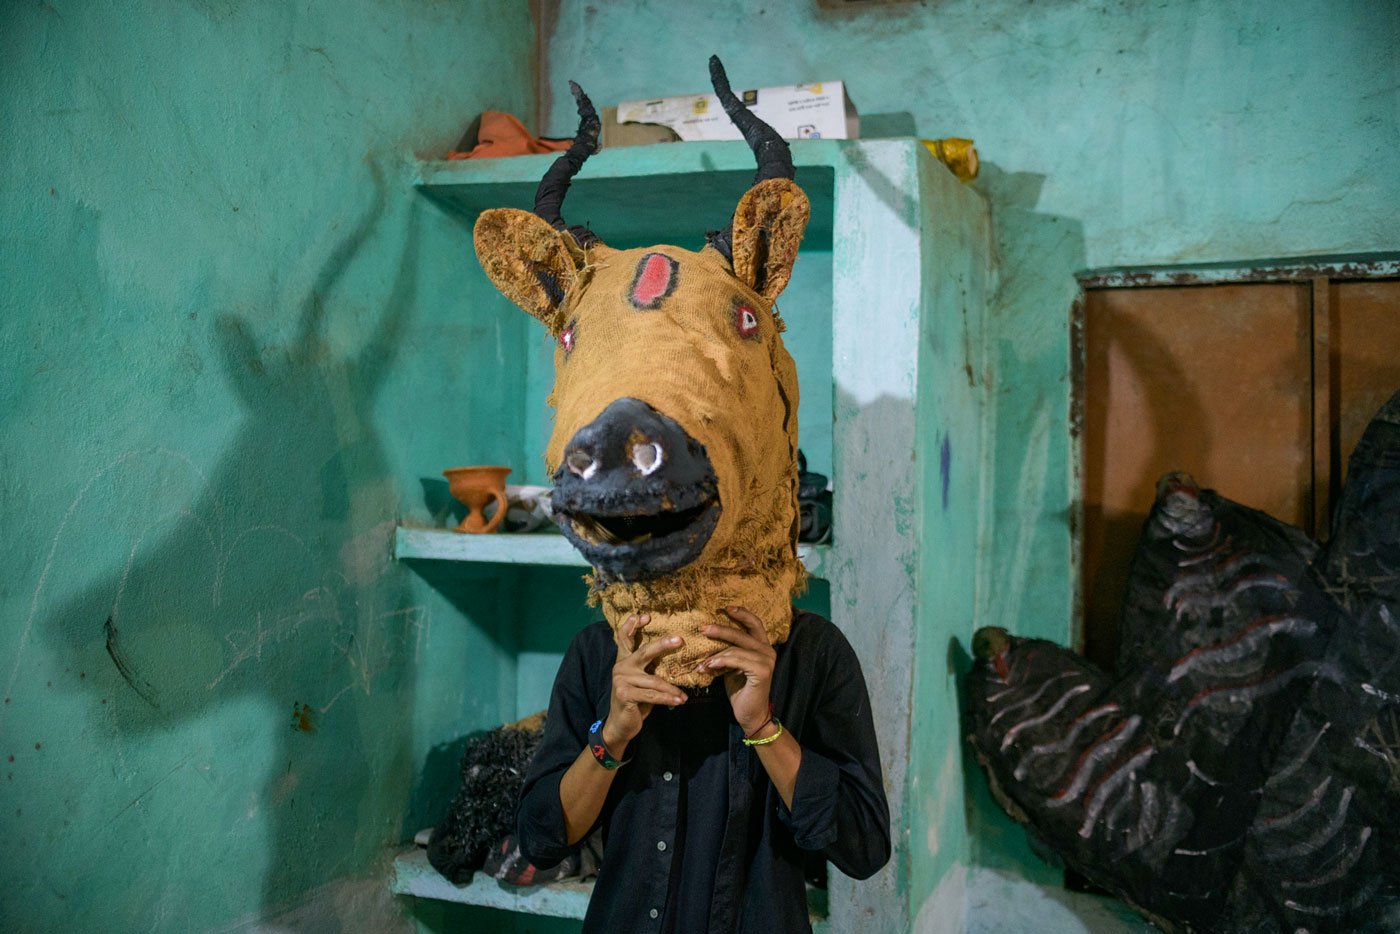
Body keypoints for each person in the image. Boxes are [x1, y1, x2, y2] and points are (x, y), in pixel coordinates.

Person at [517, 604, 891, 933]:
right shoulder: (602, 648)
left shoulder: (811, 651)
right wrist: (612, 735)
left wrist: (762, 726)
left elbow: (864, 849)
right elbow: (540, 840)